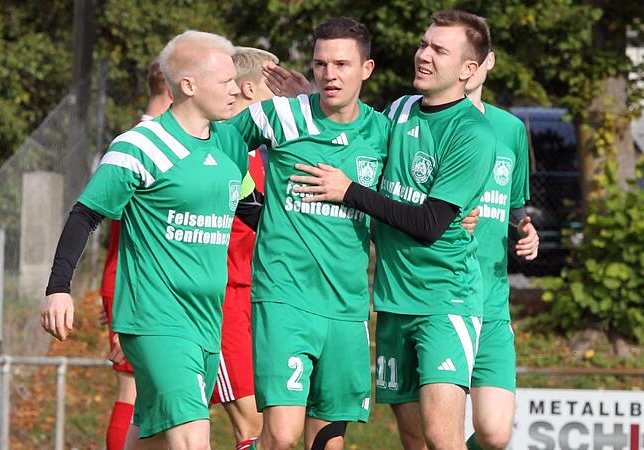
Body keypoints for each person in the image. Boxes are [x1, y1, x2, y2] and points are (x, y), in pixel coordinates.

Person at [289, 10, 497, 450]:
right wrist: (311, 99)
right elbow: (356, 139)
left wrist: (349, 192)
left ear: (468, 70)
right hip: (392, 300)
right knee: (413, 437)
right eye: (424, 44)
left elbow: (428, 225)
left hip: (445, 300)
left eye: (439, 50)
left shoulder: (472, 133)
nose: (423, 55)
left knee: (443, 437)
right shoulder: (400, 109)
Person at [41, 30, 250, 450]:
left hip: (207, 320)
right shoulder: (140, 146)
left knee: (149, 439)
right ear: (188, 85)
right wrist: (58, 289)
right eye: (226, 81)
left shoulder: (230, 142)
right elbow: (85, 214)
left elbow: (247, 208)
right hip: (157, 319)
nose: (237, 89)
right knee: (193, 438)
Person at [227, 17, 389, 450]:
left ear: (366, 69)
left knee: (328, 442)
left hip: (347, 304)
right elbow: (216, 147)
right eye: (321, 64)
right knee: (281, 435)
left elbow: (418, 194)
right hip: (284, 296)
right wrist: (248, 203)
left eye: (342, 64)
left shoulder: (383, 133)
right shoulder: (279, 114)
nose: (330, 74)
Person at [463, 50, 539, 450]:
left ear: (487, 62)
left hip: (492, 300)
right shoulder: (423, 120)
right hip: (440, 297)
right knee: (430, 437)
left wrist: (525, 228)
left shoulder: (509, 128)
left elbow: (515, 205)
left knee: (494, 434)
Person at [99, 58, 173, 450]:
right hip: (138, 285)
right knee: (131, 390)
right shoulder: (142, 143)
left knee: (152, 396)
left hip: (136, 283)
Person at [211, 46, 278, 450]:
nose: (286, 98)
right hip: (222, 304)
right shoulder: (220, 147)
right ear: (249, 90)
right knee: (252, 425)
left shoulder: (261, 155)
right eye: (277, 86)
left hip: (259, 301)